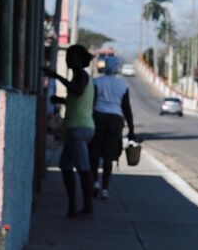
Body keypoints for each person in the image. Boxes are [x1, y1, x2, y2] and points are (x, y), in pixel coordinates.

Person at [46, 44, 95, 218]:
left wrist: (56, 76)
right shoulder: (79, 77)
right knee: (66, 166)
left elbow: (78, 91)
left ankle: (87, 206)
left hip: (78, 128)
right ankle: (73, 205)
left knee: (83, 168)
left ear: (80, 60)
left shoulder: (81, 75)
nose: (67, 60)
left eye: (70, 57)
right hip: (79, 127)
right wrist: (60, 100)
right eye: (67, 57)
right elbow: (77, 99)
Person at [88, 54, 136, 199]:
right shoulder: (123, 85)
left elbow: (91, 102)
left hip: (98, 117)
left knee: (94, 152)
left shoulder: (96, 82)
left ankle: (95, 182)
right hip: (116, 120)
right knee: (109, 156)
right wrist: (132, 130)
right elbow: (126, 108)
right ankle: (105, 189)